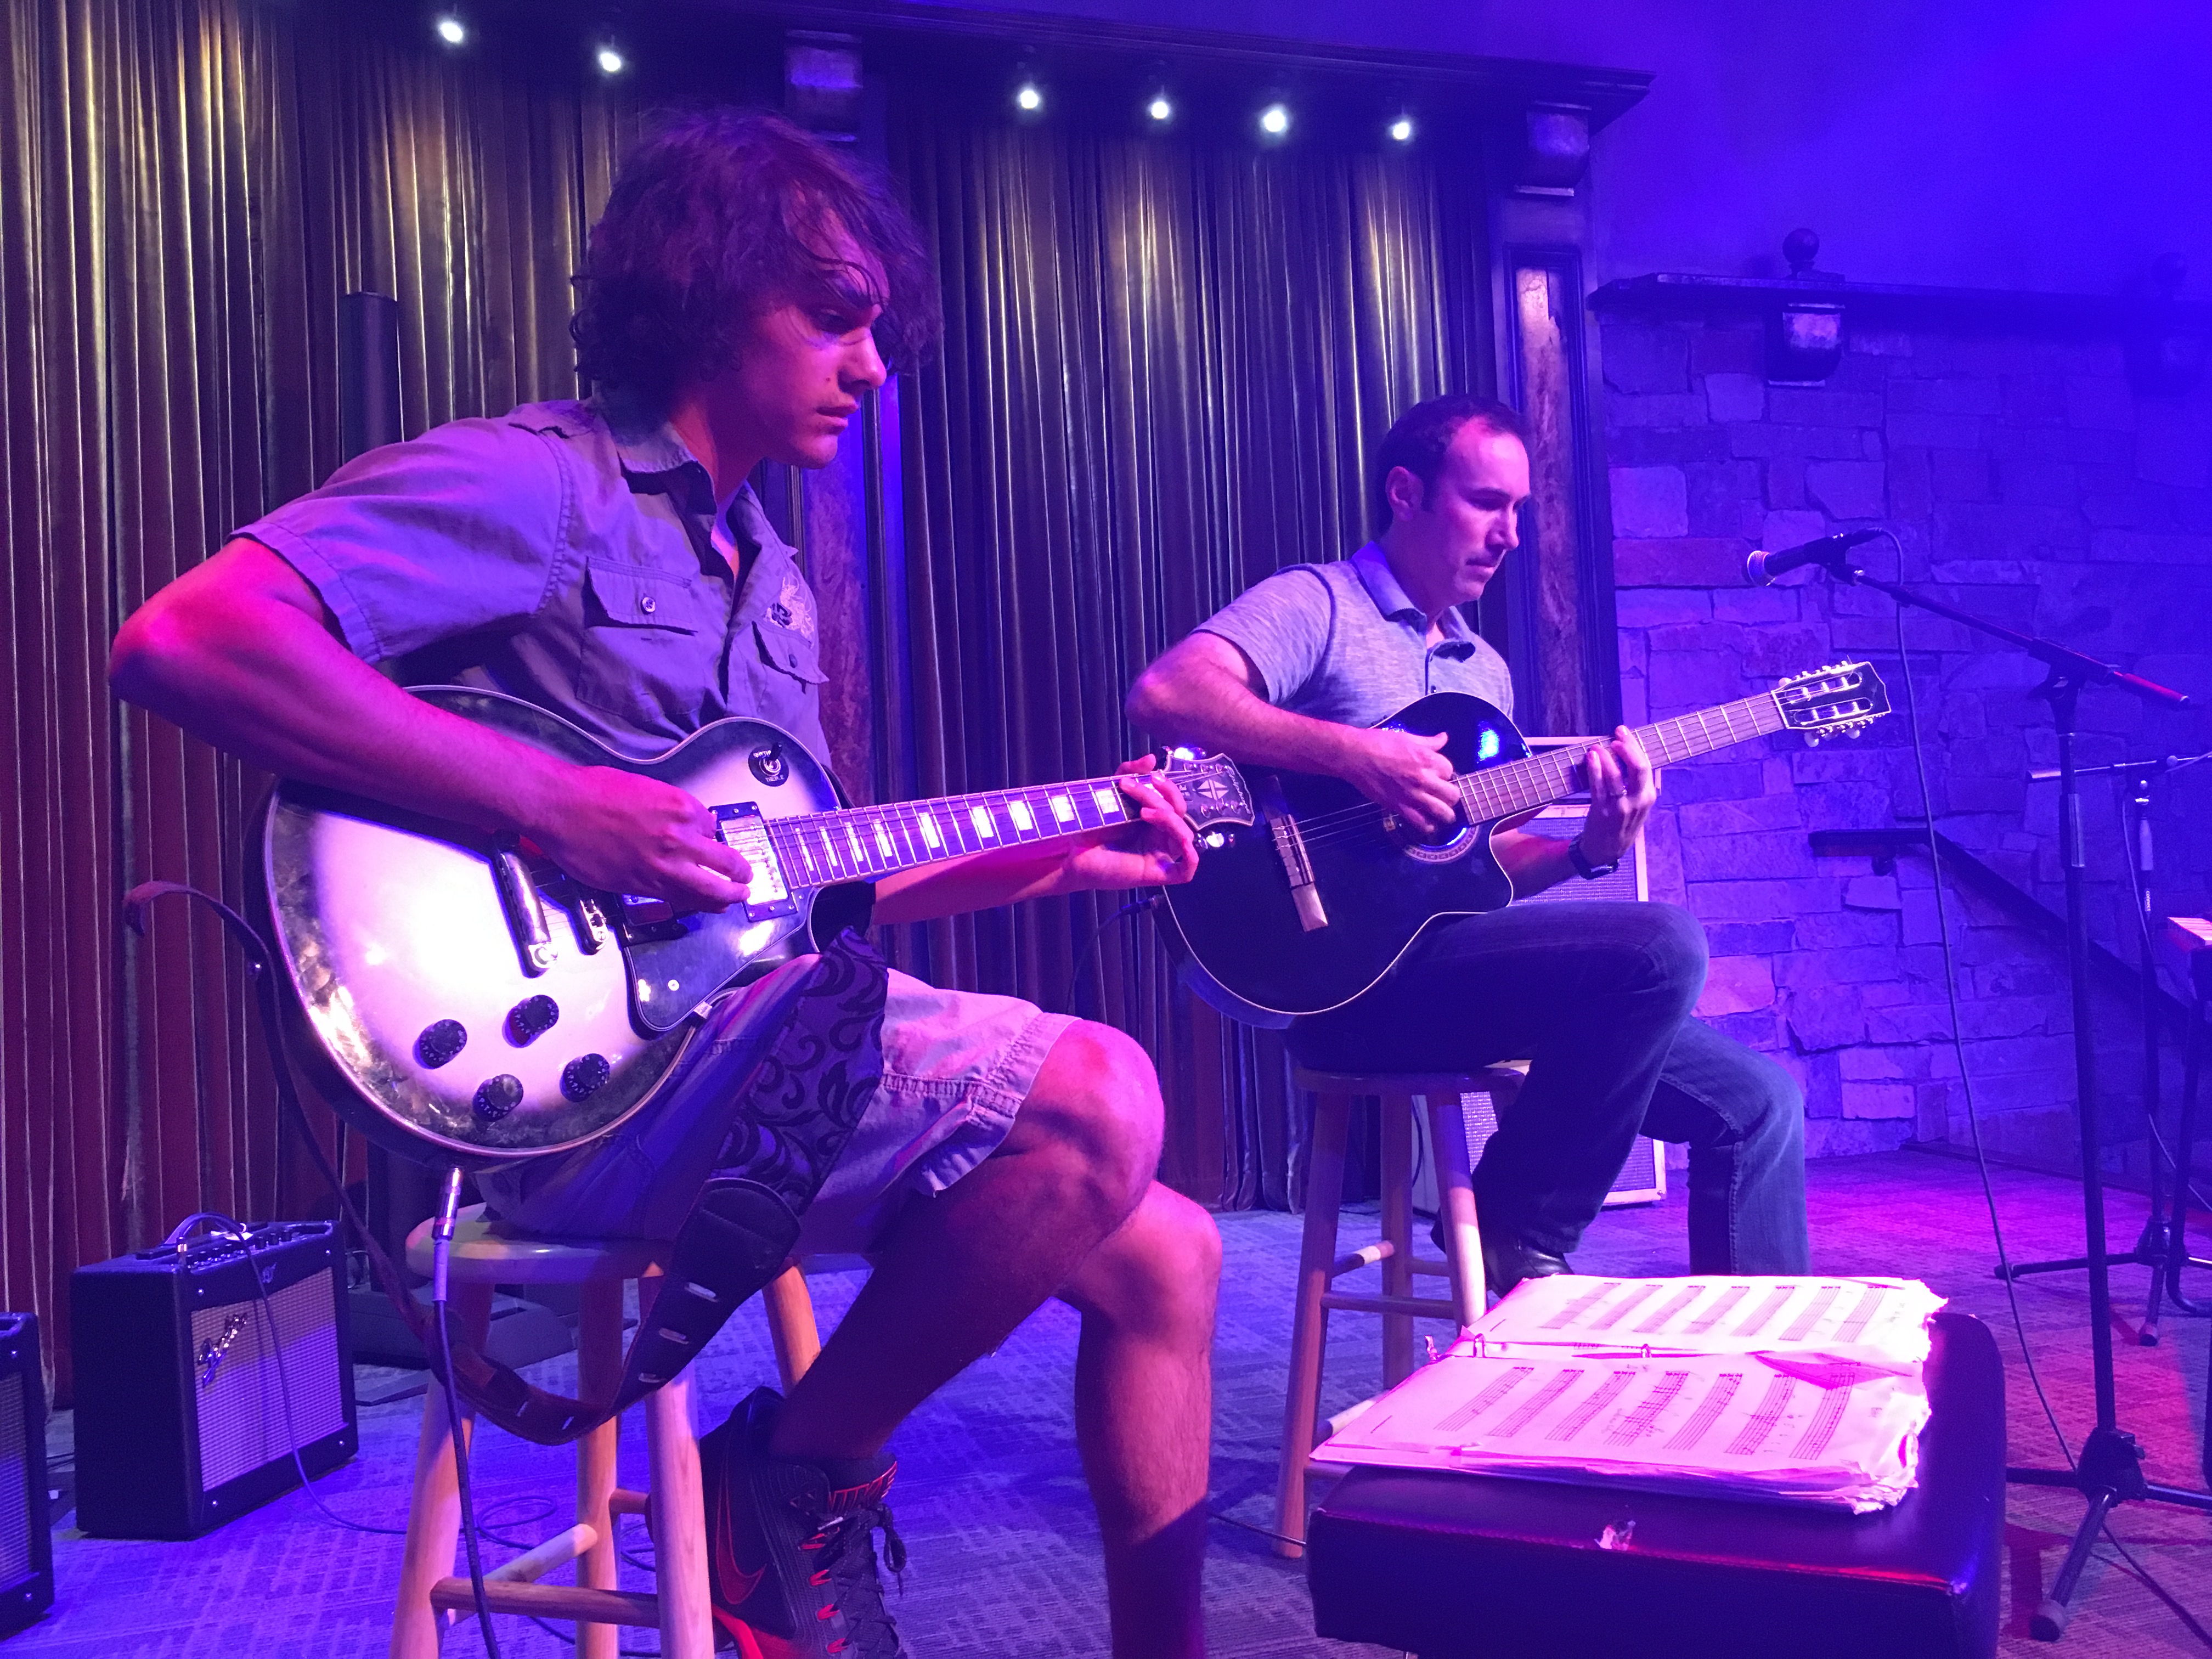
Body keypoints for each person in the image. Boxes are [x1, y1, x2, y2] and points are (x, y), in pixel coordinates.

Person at [110, 111, 1217, 1659]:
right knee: (1098, 1092)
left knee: (1175, 1253)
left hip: (758, 1066)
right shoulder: (534, 483)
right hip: (586, 1101)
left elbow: (807, 913)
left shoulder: (772, 581)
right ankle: (794, 1482)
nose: (874, 367)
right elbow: (188, 641)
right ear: (709, 296)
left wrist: (1059, 855)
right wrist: (557, 805)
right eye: (835, 318)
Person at [1126, 393, 1807, 1291]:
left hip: (1456, 971)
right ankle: (1520, 1230)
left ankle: (1757, 1376)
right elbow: (1168, 696)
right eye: (1489, 503)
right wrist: (1359, 755)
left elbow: (1478, 874)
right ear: (1407, 494)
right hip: (1347, 990)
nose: (1512, 535)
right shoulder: (1319, 603)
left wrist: (1590, 849)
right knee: (1663, 941)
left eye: (1520, 510)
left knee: (1763, 1106)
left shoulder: (1483, 673)